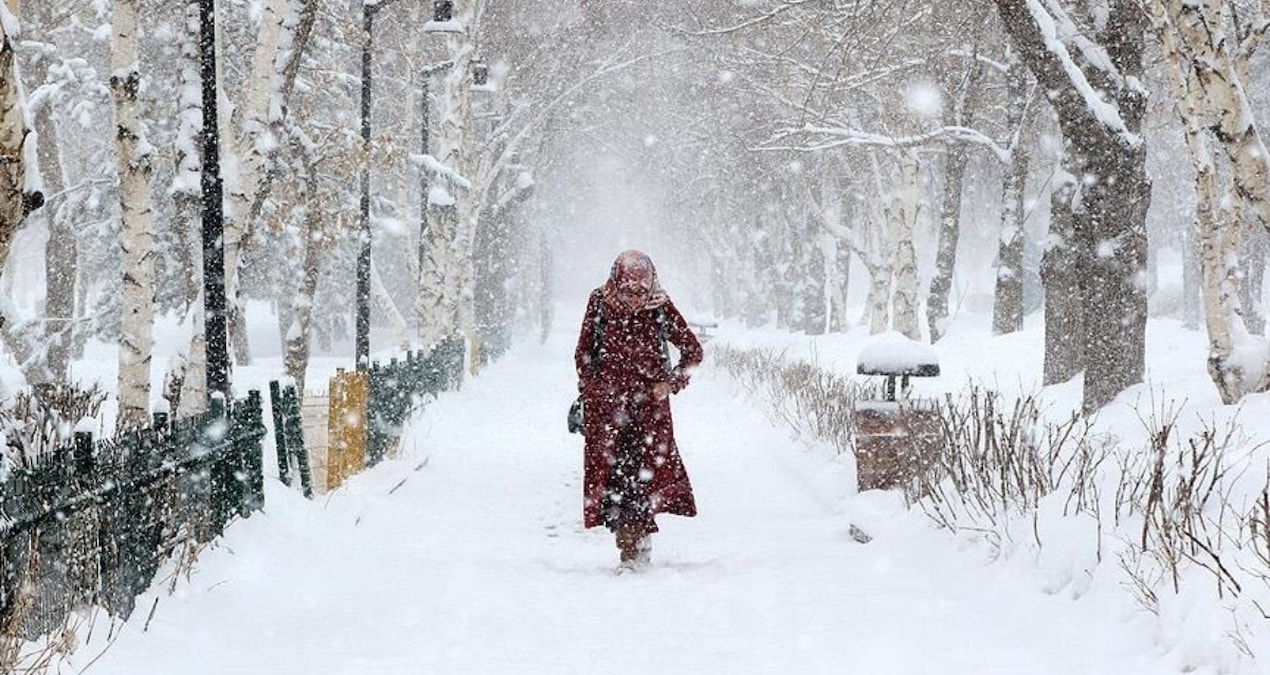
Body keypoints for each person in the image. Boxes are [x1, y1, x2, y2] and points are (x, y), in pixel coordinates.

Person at [574, 249, 704, 572]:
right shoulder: (600, 303)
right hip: (608, 414)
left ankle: (636, 547)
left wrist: (670, 383)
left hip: (650, 416)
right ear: (617, 283)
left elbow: (693, 351)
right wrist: (594, 390)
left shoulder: (659, 307)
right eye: (628, 291)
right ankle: (629, 546)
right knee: (615, 482)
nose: (634, 299)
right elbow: (583, 353)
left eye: (640, 292)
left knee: (642, 481)